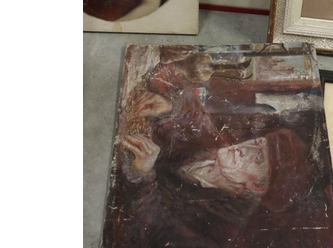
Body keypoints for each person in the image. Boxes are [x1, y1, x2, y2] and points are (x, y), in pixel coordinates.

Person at [104, 56, 318, 247]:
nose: (245, 148)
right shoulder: (220, 151)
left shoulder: (222, 228)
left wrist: (142, 175)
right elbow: (197, 122)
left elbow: (150, 228)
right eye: (257, 143)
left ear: (257, 185)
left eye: (258, 158)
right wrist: (170, 109)